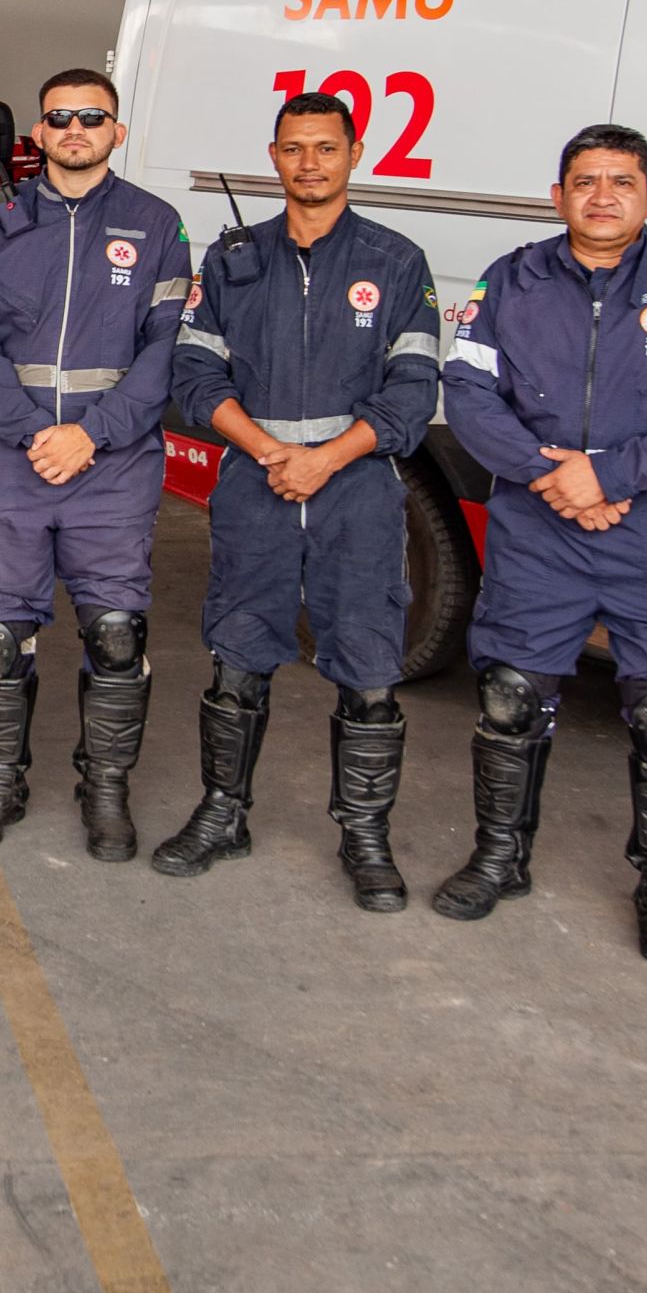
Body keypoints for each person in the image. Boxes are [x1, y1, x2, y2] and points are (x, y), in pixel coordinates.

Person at [436, 125, 647, 954]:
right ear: (558, 196)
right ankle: (500, 858)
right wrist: (553, 477)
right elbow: (467, 392)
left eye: (621, 180)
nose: (602, 195)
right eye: (584, 181)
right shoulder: (512, 281)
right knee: (510, 697)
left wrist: (609, 477)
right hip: (539, 529)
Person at [154, 90, 442, 905]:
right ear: (273, 156)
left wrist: (325, 459)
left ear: (357, 154)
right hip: (256, 479)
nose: (309, 162)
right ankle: (222, 814)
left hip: (356, 488)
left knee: (370, 663)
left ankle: (366, 837)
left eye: (325, 147)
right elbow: (195, 376)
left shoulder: (394, 260)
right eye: (293, 148)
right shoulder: (234, 258)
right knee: (239, 651)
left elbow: (414, 388)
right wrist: (274, 452)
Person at [0, 68, 190, 860]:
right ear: (39, 135)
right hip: (10, 457)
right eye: (60, 118)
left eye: (94, 117)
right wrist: (27, 431)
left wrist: (95, 432)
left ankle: (107, 791)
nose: (76, 129)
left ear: (119, 131)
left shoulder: (157, 224)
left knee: (116, 632)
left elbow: (166, 349)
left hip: (111, 463)